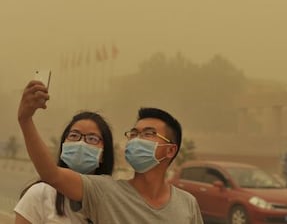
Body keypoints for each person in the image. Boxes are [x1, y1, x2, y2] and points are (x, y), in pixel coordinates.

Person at [18, 80, 203, 224]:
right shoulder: (105, 191)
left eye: (148, 134)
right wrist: (25, 120)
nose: (137, 139)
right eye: (134, 134)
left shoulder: (187, 204)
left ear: (170, 150)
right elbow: (52, 174)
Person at [14, 111, 114, 224]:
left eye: (92, 139)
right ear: (63, 144)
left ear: (104, 154)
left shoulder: (112, 202)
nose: (81, 143)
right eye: (74, 136)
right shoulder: (41, 193)